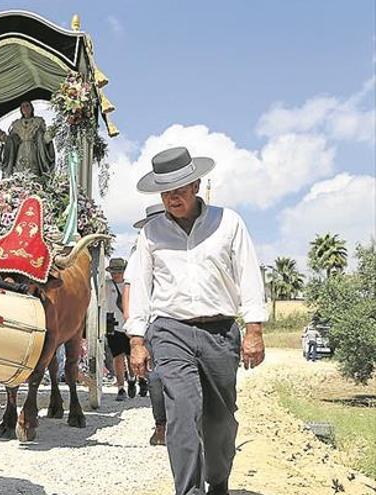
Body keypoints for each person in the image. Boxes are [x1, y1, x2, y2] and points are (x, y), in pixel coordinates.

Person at [127, 146, 267, 495]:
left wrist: (254, 329)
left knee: (219, 420)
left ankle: (218, 481)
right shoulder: (151, 233)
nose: (172, 197)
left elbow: (249, 275)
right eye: (166, 191)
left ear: (196, 186)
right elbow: (141, 288)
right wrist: (137, 341)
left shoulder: (228, 223)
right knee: (182, 414)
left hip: (220, 332)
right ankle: (187, 490)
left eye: (179, 189)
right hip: (171, 331)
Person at [124, 203, 167, 445]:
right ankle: (161, 425)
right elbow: (129, 293)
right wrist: (135, 333)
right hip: (152, 325)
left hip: (180, 321)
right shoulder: (138, 254)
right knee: (156, 378)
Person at [0, 101, 55, 177]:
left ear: (31, 108)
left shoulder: (38, 122)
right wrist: (3, 136)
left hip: (33, 150)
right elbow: (12, 140)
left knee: (33, 171)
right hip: (21, 150)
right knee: (20, 172)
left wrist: (50, 133)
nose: (25, 108)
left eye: (27, 106)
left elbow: (42, 139)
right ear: (21, 110)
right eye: (23, 106)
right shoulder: (17, 124)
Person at [105, 257, 136, 401]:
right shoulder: (105, 285)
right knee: (117, 357)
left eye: (118, 271)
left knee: (130, 357)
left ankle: (133, 378)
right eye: (113, 272)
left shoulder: (132, 286)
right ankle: (121, 388)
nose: (115, 274)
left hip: (130, 325)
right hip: (113, 325)